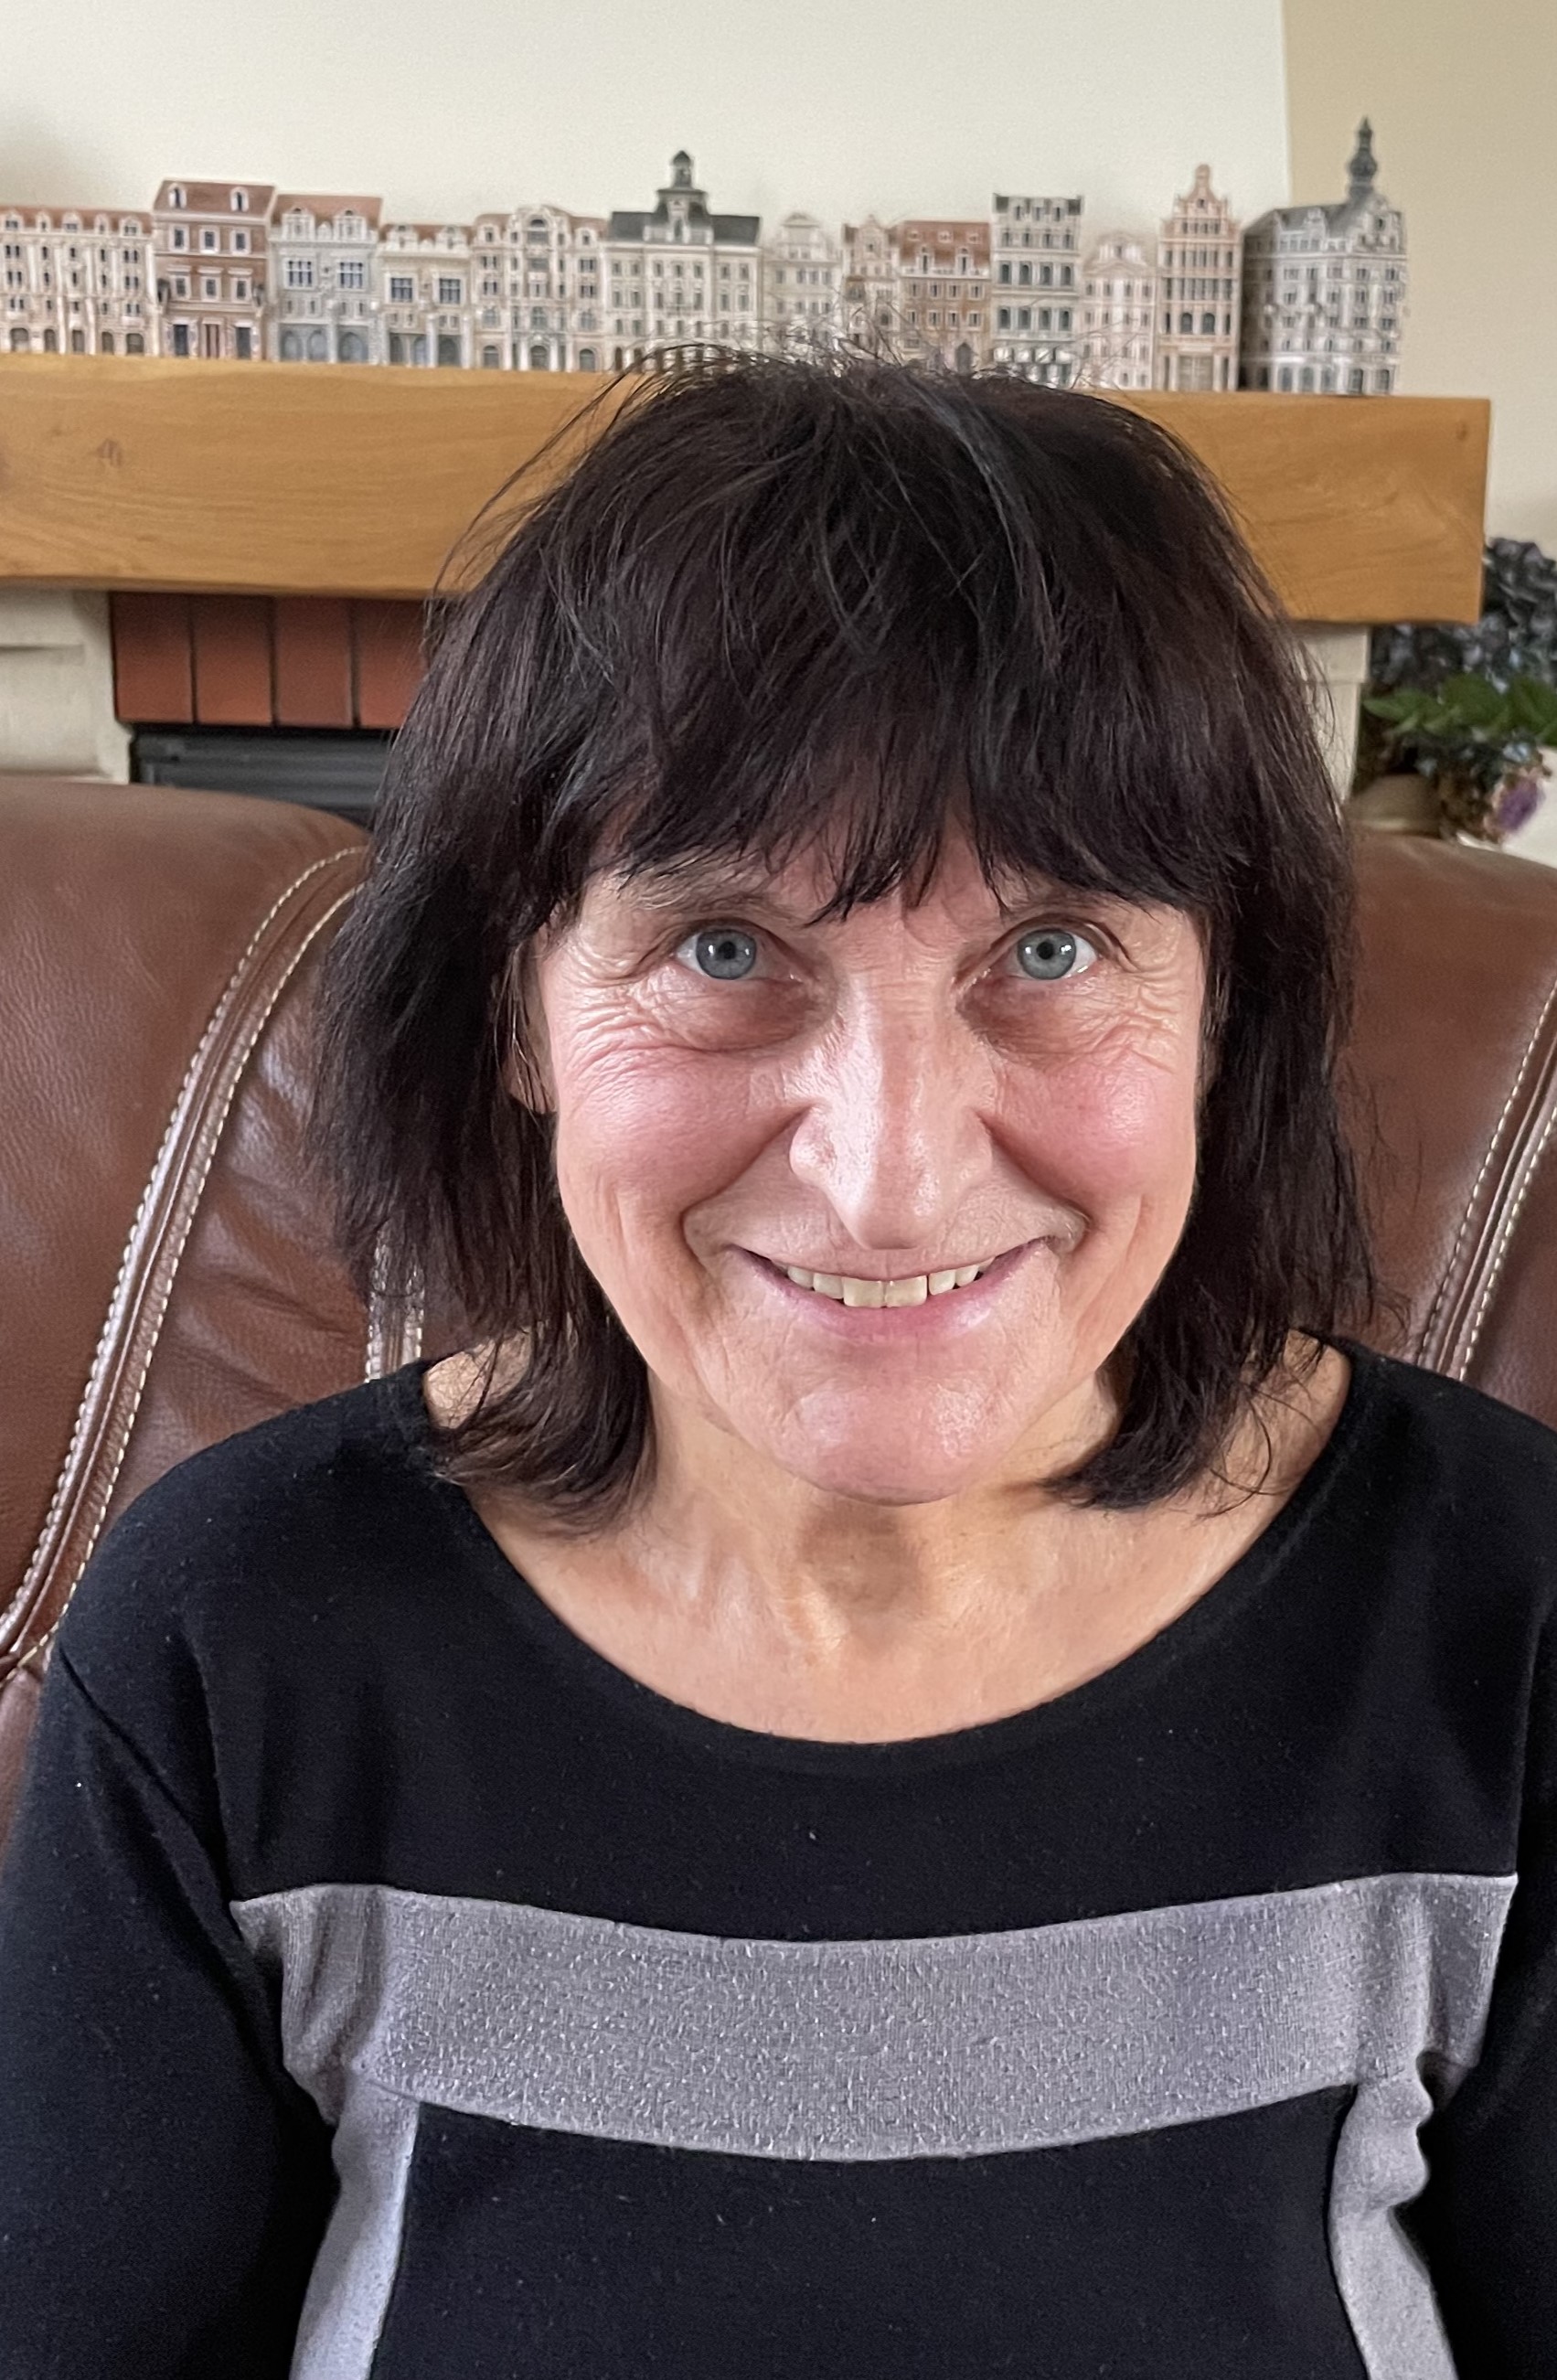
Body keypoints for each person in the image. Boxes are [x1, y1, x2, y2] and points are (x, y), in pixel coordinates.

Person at [0, 351, 1553, 2380]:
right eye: (725, 950)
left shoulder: (1504, 1612)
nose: (889, 1181)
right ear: (517, 1013)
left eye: (1053, 950)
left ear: (1221, 1013)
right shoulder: (234, 1635)